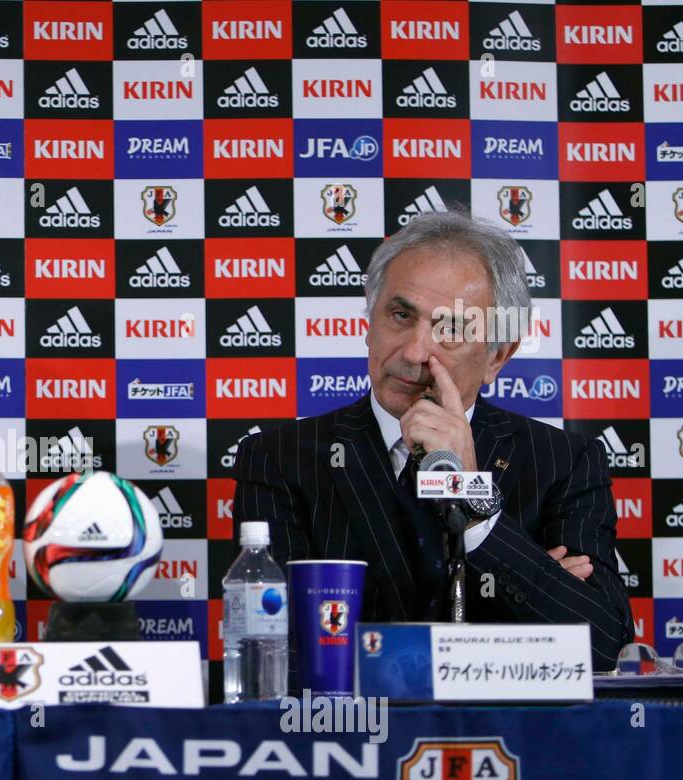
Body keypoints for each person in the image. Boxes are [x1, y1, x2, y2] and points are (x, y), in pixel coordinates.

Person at [233, 210, 633, 671]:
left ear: (497, 357)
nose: (415, 352)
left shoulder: (564, 461)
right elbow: (279, 649)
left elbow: (601, 644)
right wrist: (525, 606)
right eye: (400, 315)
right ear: (369, 321)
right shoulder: (279, 459)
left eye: (452, 329)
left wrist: (475, 504)